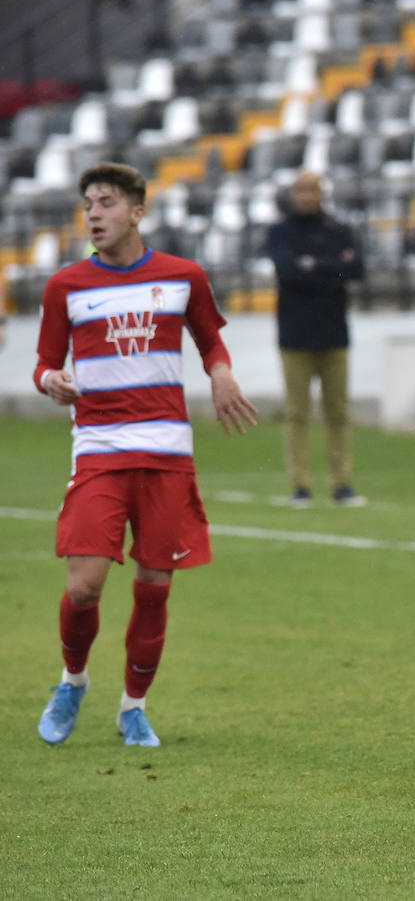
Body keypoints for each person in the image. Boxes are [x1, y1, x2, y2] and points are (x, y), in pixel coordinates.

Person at [32, 162, 258, 748]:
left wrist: (222, 374)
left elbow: (210, 340)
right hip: (100, 451)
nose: (93, 214)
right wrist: (51, 381)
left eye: (105, 202)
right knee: (83, 586)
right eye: (87, 204)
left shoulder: (183, 276)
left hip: (166, 453)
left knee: (155, 584)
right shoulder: (64, 286)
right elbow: (44, 362)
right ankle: (73, 679)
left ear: (137, 211)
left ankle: (133, 707)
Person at [267, 170, 366, 508]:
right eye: (301, 190)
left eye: (312, 190)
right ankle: (301, 486)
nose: (307, 196)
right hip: (294, 335)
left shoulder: (338, 229)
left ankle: (341, 483)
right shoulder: (281, 232)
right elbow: (288, 271)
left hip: (334, 333)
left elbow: (356, 269)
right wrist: (332, 268)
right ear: (293, 194)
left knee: (338, 412)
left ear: (321, 193)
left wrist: (311, 266)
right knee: (297, 413)